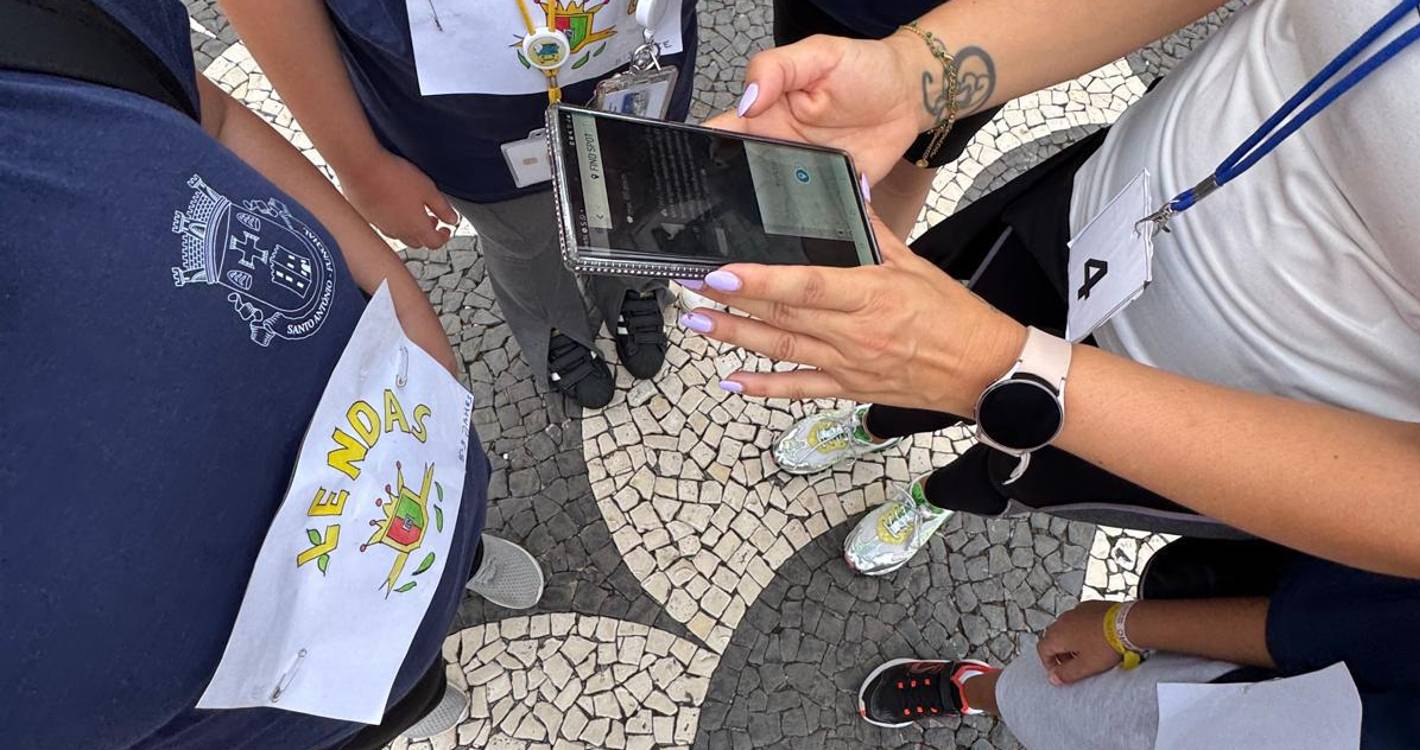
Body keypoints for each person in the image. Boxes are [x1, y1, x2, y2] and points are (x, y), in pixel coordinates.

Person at [685, 0, 1420, 581]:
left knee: (1012, 470)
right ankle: (877, 427)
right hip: (1099, 206)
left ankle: (930, 497)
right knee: (925, 341)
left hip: (1241, 426)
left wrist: (992, 367)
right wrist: (917, 76)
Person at [0, 0, 541, 745]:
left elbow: (208, 114)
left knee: (450, 538)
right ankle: (413, 696)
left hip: (408, 450)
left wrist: (403, 304)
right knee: (389, 704)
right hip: (270, 717)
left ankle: (460, 565)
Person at [219, 0, 701, 409]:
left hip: (639, 55)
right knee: (520, 235)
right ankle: (548, 318)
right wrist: (359, 162)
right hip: (458, 106)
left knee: (636, 192)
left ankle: (633, 280)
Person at [857, 538, 1420, 748]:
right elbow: (1314, 630)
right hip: (1218, 715)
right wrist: (1120, 628)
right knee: (1044, 699)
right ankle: (977, 689)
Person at [769, 0, 1002, 240]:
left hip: (980, 34)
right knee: (796, 128)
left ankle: (867, 263)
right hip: (827, 9)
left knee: (905, 177)